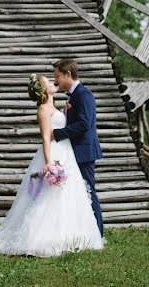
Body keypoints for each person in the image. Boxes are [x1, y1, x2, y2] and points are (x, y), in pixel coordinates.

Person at [0, 74, 103, 257]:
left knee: (68, 195)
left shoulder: (54, 106)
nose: (53, 82)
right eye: (48, 81)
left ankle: (70, 235)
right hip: (54, 155)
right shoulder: (42, 110)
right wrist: (49, 163)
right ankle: (40, 238)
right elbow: (46, 139)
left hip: (66, 153)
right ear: (43, 90)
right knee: (49, 197)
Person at [51, 58, 104, 235]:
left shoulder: (84, 94)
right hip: (75, 151)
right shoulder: (73, 96)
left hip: (84, 151)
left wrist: (58, 134)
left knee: (88, 191)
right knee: (78, 192)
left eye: (57, 76)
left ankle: (97, 233)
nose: (55, 80)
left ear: (68, 74)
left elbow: (84, 124)